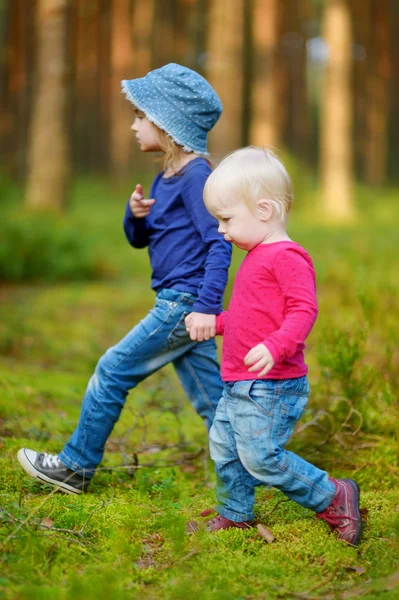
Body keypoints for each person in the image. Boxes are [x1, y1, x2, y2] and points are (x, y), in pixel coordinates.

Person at [17, 63, 232, 495]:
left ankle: (75, 466)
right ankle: (255, 468)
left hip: (184, 304)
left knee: (112, 369)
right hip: (181, 303)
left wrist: (207, 306)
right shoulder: (165, 175)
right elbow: (142, 241)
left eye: (140, 116)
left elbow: (219, 243)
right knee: (216, 403)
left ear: (167, 122)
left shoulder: (196, 177)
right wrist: (134, 217)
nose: (134, 125)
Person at [185, 146, 362, 546]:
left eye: (226, 219)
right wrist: (217, 323)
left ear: (263, 210)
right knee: (226, 448)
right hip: (239, 381)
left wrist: (276, 346)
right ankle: (235, 513)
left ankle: (333, 495)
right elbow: (249, 316)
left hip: (273, 382)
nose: (220, 230)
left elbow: (304, 309)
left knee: (260, 456)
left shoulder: (287, 257)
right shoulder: (256, 255)